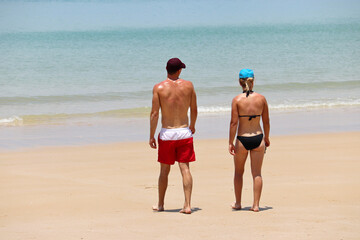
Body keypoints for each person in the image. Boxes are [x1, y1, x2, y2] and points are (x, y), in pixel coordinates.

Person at [149, 58, 198, 214]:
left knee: (164, 170)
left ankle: (161, 204)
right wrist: (193, 125)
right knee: (185, 169)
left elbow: (155, 113)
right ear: (179, 71)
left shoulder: (159, 88)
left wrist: (151, 135)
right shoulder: (189, 86)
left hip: (167, 134)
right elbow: (194, 108)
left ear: (166, 70)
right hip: (184, 132)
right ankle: (188, 205)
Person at [228, 68, 270, 212]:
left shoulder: (237, 100)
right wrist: (267, 137)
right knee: (257, 173)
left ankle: (238, 203)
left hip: (242, 139)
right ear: (253, 81)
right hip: (258, 138)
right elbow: (266, 121)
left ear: (240, 82)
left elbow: (233, 123)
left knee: (238, 172)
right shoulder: (261, 98)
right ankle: (256, 205)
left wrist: (230, 142)